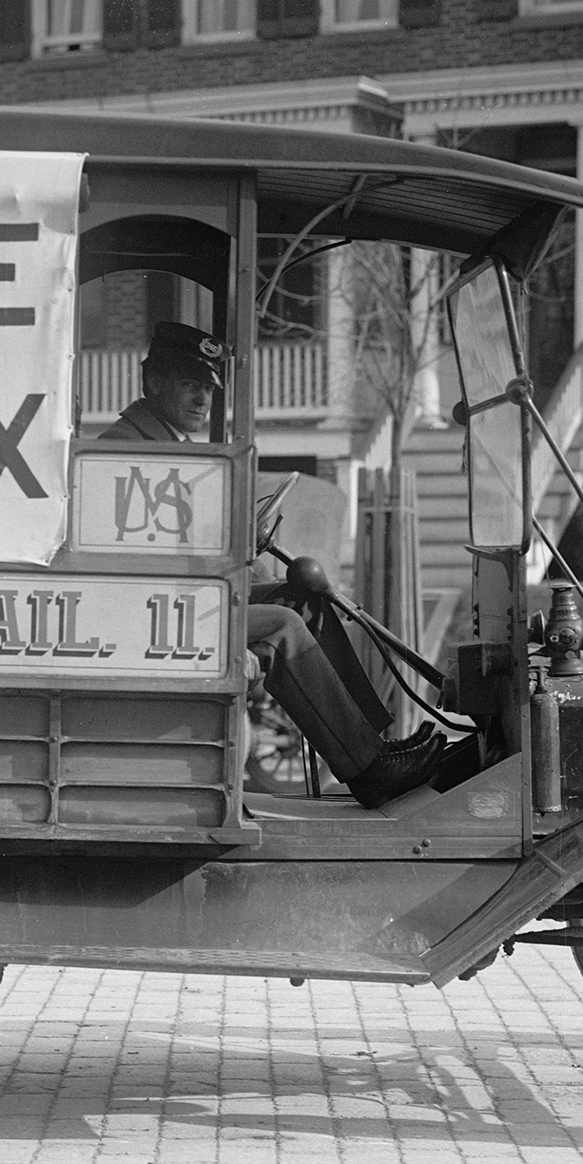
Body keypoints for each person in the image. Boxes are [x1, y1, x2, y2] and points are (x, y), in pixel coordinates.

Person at [97, 322, 445, 807]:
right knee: (282, 625)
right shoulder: (127, 447)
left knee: (302, 598)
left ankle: (370, 743)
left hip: (182, 600)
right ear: (153, 382)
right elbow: (151, 554)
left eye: (207, 388)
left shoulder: (167, 441)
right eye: (189, 384)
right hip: (149, 615)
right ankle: (367, 770)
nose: (202, 399)